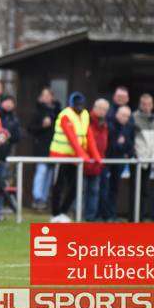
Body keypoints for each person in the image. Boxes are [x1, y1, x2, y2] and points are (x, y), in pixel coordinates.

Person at [49, 92, 102, 223]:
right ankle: (55, 214)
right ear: (71, 104)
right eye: (77, 105)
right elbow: (71, 137)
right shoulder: (65, 115)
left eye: (81, 105)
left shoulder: (85, 115)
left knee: (76, 186)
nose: (79, 107)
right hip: (60, 155)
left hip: (75, 157)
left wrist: (96, 156)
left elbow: (88, 136)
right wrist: (82, 155)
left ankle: (63, 212)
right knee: (59, 185)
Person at [28, 87, 61, 210]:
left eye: (48, 95)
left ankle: (44, 199)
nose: (46, 97)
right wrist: (42, 126)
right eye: (43, 95)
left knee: (49, 174)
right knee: (41, 171)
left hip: (55, 148)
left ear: (52, 97)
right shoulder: (37, 111)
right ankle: (37, 197)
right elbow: (30, 129)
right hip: (41, 147)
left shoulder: (58, 112)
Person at [101, 105, 134, 221]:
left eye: (127, 116)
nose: (125, 118)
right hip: (107, 161)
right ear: (117, 114)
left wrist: (124, 147)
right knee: (104, 188)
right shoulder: (110, 125)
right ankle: (104, 215)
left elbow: (130, 145)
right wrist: (121, 145)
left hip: (119, 162)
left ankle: (112, 214)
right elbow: (112, 145)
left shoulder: (128, 127)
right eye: (123, 115)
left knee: (115, 188)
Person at [132, 94, 154, 221]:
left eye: (149, 104)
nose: (146, 107)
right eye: (144, 104)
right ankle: (133, 217)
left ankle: (141, 217)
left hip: (150, 160)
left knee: (145, 191)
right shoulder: (133, 118)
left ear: (152, 105)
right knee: (135, 190)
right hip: (138, 160)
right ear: (140, 104)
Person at [83, 99, 109, 221]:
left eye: (105, 109)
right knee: (81, 190)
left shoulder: (104, 124)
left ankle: (90, 217)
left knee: (94, 191)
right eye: (100, 108)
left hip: (97, 163)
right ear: (94, 107)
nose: (102, 111)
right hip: (85, 162)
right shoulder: (86, 120)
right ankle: (79, 215)